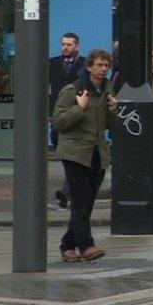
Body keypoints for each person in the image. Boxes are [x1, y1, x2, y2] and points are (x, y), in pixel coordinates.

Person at [53, 49, 118, 262]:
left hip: (97, 153)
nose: (103, 69)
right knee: (81, 200)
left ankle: (67, 245)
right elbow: (59, 121)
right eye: (99, 65)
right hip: (75, 153)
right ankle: (86, 245)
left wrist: (113, 110)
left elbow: (111, 126)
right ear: (89, 67)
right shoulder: (73, 90)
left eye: (106, 65)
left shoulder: (107, 91)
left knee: (87, 202)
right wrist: (79, 108)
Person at [49, 32, 86, 209]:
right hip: (58, 113)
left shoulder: (84, 64)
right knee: (65, 156)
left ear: (76, 46)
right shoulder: (53, 63)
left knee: (72, 159)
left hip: (75, 114)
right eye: (63, 44)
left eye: (69, 44)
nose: (65, 47)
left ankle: (67, 191)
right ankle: (71, 191)